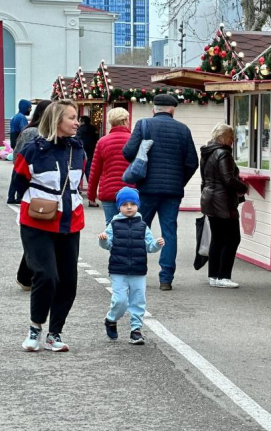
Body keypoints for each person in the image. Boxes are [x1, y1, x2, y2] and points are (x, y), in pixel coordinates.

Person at [13, 99, 85, 353]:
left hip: (71, 222)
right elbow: (19, 183)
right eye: (72, 117)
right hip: (37, 222)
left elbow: (77, 184)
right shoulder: (33, 150)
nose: (77, 122)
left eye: (77, 117)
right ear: (57, 120)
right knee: (46, 275)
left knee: (68, 280)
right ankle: (35, 328)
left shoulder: (78, 150)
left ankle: (55, 333)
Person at [122, 93, 198, 291]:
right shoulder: (183, 130)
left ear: (153, 108)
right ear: (172, 109)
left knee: (139, 229)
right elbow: (192, 162)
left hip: (146, 188)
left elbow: (128, 152)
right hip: (172, 191)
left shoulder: (143, 124)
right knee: (169, 232)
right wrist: (179, 181)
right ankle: (166, 278)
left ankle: (137, 272)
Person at [99, 187, 164, 345]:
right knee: (120, 300)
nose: (129, 207)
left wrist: (157, 244)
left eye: (132, 204)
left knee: (138, 300)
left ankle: (136, 330)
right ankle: (111, 319)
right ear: (119, 206)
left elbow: (149, 246)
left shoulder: (143, 226)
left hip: (138, 269)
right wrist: (103, 239)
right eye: (125, 204)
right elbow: (107, 245)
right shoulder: (113, 224)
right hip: (118, 269)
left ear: (138, 206)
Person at [200, 123, 248, 288]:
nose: (233, 140)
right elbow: (228, 179)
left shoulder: (207, 152)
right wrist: (243, 187)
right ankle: (224, 276)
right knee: (233, 238)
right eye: (230, 137)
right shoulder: (223, 153)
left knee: (217, 239)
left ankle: (213, 276)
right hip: (223, 202)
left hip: (209, 198)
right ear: (221, 137)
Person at [12, 99, 53, 290]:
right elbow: (20, 158)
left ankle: (27, 276)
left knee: (40, 234)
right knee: (38, 233)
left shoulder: (29, 130)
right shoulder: (33, 132)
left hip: (38, 189)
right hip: (36, 189)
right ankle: (28, 276)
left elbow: (16, 153)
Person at [88, 107, 134, 224]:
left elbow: (95, 171)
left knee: (111, 226)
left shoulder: (102, 142)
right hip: (131, 191)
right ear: (125, 121)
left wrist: (91, 195)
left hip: (108, 191)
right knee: (132, 227)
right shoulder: (134, 141)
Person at [7, 99, 36, 203]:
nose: (30, 110)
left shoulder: (15, 117)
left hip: (15, 145)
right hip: (21, 147)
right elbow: (25, 132)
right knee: (20, 173)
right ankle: (18, 196)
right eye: (29, 107)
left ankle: (11, 196)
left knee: (15, 172)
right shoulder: (21, 118)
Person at [77, 116, 99, 181]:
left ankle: (77, 184)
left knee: (80, 167)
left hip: (82, 150)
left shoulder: (79, 130)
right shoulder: (93, 129)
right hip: (92, 150)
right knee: (89, 168)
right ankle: (90, 182)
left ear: (82, 121)